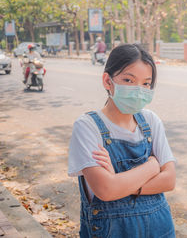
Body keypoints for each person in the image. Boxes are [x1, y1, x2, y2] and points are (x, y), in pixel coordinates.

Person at [68, 43, 176, 237]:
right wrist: (152, 167)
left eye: (146, 83)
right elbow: (107, 190)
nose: (138, 90)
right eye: (128, 80)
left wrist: (121, 182)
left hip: (160, 229)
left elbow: (169, 180)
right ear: (107, 81)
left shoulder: (151, 121)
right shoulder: (88, 127)